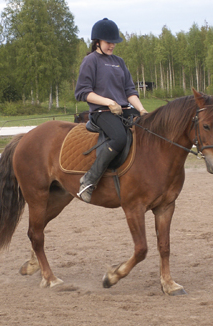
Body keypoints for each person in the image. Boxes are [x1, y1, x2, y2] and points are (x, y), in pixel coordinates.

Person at [75, 18, 148, 203]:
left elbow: (130, 91)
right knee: (119, 137)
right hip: (101, 113)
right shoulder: (90, 61)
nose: (112, 46)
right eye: (109, 42)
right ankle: (89, 180)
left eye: (114, 43)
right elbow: (83, 92)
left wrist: (141, 110)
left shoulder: (119, 62)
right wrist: (108, 102)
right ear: (97, 41)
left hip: (124, 109)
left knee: (148, 128)